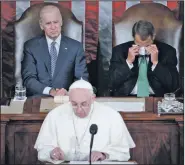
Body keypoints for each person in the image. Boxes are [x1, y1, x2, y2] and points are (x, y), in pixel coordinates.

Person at [34, 79, 135, 164]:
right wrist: (51, 153)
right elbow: (42, 149)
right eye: (74, 104)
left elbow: (124, 152)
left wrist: (104, 155)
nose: (78, 109)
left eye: (84, 104)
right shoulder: (55, 115)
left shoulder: (111, 116)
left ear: (93, 98)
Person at [21, 5, 88, 97]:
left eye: (55, 22)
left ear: (61, 22)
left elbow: (81, 80)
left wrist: (69, 93)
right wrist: (51, 91)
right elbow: (29, 80)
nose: (53, 27)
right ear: (41, 25)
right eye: (48, 23)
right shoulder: (31, 47)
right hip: (38, 99)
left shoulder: (76, 47)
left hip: (66, 100)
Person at [108, 20, 180, 97]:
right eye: (138, 45)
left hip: (156, 98)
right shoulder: (119, 51)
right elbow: (111, 83)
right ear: (133, 37)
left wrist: (156, 63)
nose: (143, 49)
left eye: (147, 45)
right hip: (127, 98)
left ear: (153, 36)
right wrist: (128, 62)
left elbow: (174, 85)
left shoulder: (168, 51)